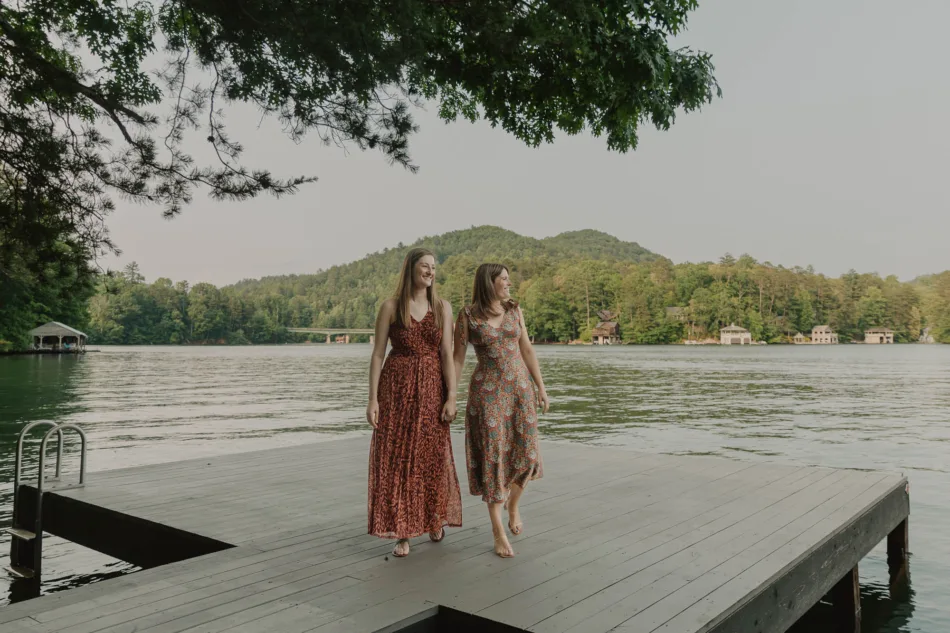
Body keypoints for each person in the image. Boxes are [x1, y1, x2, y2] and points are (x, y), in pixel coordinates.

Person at [366, 248, 463, 557]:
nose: (430, 272)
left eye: (433, 267)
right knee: (399, 460)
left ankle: (433, 519)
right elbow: (378, 354)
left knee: (432, 457)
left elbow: (447, 354)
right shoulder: (391, 307)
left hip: (433, 389)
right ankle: (403, 531)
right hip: (396, 390)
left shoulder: (443, 307)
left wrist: (452, 396)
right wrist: (372, 399)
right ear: (410, 269)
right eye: (425, 266)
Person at [453, 263, 549, 558]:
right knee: (493, 458)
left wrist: (541, 388)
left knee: (528, 456)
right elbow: (457, 359)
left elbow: (527, 349)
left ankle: (514, 505)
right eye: (504, 279)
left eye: (508, 279)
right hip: (487, 395)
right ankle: (497, 530)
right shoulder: (468, 316)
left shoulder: (514, 310)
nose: (509, 283)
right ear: (489, 283)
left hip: (520, 391)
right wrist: (449, 397)